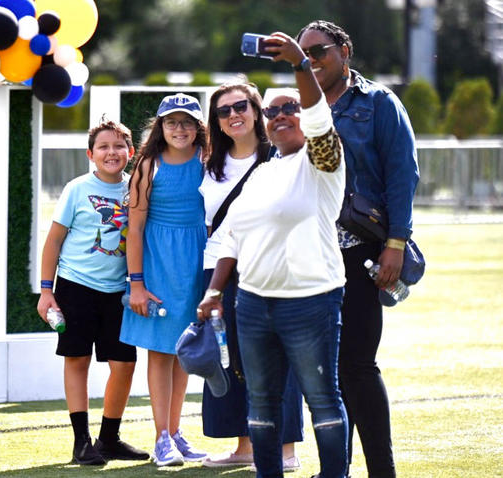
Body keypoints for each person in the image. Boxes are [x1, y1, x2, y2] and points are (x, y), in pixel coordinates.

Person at [198, 31, 349, 478]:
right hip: (254, 306)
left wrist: (301, 63)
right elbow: (229, 237)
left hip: (311, 301)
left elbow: (321, 121)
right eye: (273, 111)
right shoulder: (264, 172)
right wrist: (212, 293)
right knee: (261, 406)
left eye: (291, 109)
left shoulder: (325, 161)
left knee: (322, 400)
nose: (281, 115)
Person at [296, 20, 419, 478]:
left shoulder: (379, 102)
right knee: (326, 372)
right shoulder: (303, 106)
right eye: (302, 53)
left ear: (345, 50)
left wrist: (395, 244)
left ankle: (382, 471)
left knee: (359, 366)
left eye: (319, 51)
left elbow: (403, 175)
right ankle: (336, 469)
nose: (311, 61)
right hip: (312, 255)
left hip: (362, 250)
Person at [198, 81, 304, 472]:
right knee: (230, 357)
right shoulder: (208, 163)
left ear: (257, 110)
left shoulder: (279, 156)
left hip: (271, 267)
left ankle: (286, 449)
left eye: (240, 106)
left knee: (279, 358)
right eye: (223, 111)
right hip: (218, 270)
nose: (233, 115)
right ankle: (245, 446)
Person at [36, 119, 149, 466]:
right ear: (91, 154)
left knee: (125, 364)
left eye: (119, 146)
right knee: (77, 359)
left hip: (119, 293)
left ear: (130, 153)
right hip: (75, 287)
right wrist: (46, 291)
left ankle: (110, 438)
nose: (111, 152)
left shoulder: (137, 189)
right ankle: (81, 442)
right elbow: (54, 240)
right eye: (103, 146)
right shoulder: (77, 189)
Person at [119, 93, 209, 467]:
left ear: (199, 127)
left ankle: (175, 432)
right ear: (160, 127)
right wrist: (136, 283)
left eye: (187, 122)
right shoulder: (147, 165)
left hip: (197, 262)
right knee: (160, 351)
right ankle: (161, 438)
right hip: (159, 264)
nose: (179, 128)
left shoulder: (209, 161)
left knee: (185, 353)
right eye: (171, 122)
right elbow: (135, 228)